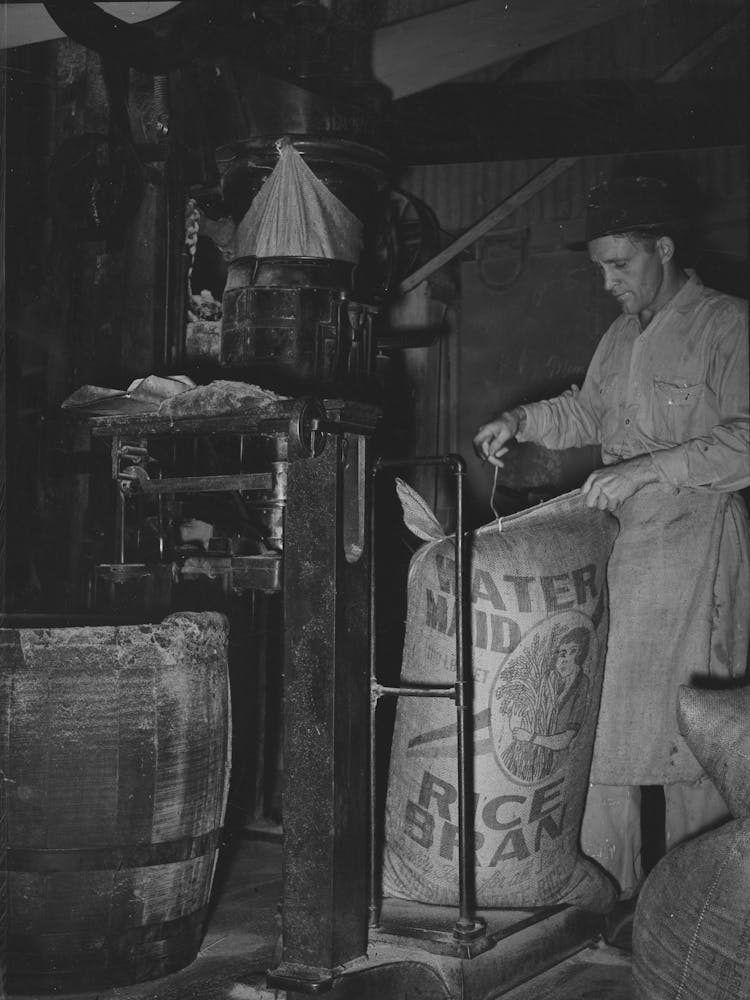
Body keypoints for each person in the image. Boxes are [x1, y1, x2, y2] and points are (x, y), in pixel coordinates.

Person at [473, 175, 750, 902]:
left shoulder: (728, 326)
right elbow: (589, 413)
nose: (607, 281)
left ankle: (708, 916)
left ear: (663, 248)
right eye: (599, 266)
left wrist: (650, 470)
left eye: (619, 264)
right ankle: (597, 907)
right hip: (628, 555)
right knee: (605, 727)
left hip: (698, 551)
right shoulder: (621, 337)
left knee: (697, 737)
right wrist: (523, 422)